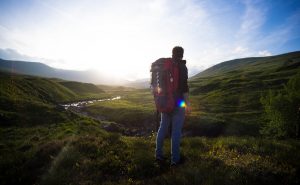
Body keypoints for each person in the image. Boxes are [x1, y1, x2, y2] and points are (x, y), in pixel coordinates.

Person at [155, 46, 191, 166]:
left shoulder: (164, 65)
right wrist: (187, 105)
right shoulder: (182, 67)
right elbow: (185, 88)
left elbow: (157, 87)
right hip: (178, 103)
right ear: (182, 55)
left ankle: (158, 155)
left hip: (165, 103)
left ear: (172, 53)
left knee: (162, 128)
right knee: (176, 132)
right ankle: (175, 160)